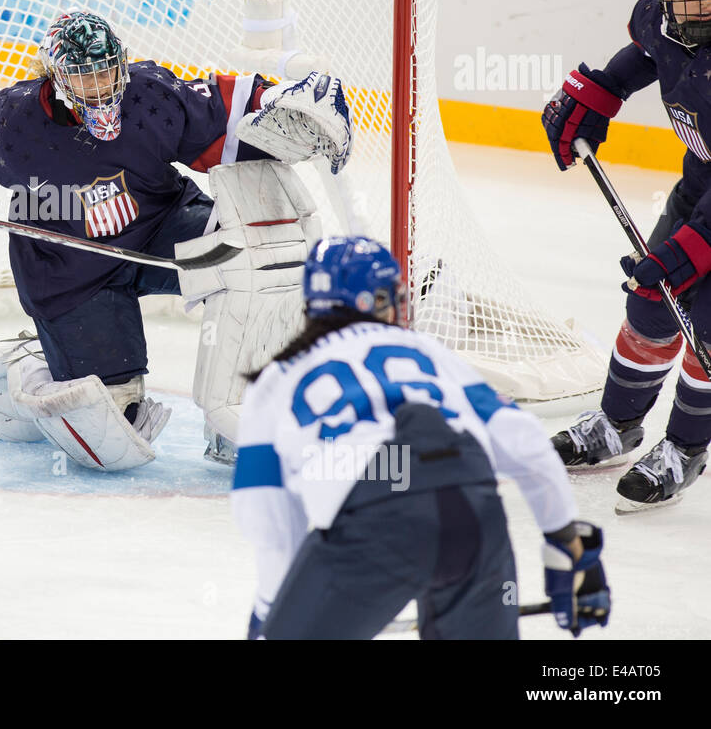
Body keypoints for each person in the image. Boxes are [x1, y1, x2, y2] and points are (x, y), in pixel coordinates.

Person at [0, 9, 351, 471]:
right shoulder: (10, 126)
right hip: (69, 275)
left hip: (161, 231)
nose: (102, 87)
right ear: (56, 78)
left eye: (108, 72)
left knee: (251, 259)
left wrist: (280, 103)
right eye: (85, 78)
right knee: (113, 435)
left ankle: (239, 416)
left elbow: (226, 112)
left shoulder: (149, 95)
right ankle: (25, 367)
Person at [231, 236, 610, 639]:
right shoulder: (426, 350)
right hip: (471, 502)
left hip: (374, 502)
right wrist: (568, 545)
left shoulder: (275, 380)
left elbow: (265, 510)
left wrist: (272, 617)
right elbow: (528, 444)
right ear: (380, 301)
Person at [542, 0, 711, 511]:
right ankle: (618, 426)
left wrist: (683, 255)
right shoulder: (657, 17)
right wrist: (599, 94)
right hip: (702, 184)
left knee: (708, 326)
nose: (701, 1)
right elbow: (645, 55)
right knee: (651, 301)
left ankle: (687, 449)